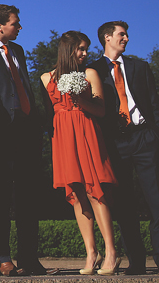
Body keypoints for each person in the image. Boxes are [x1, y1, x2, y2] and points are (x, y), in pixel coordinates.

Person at [0, 5, 51, 276]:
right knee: (2, 196)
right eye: (15, 23)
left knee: (29, 195)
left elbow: (22, 84)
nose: (20, 27)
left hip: (27, 128)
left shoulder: (18, 51)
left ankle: (30, 258)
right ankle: (4, 257)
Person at [89, 21, 159, 275]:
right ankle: (135, 261)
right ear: (107, 38)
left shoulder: (140, 67)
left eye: (126, 34)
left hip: (145, 137)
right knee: (124, 204)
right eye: (121, 34)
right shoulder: (92, 69)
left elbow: (153, 101)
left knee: (157, 199)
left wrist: (158, 133)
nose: (126, 38)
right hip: (115, 142)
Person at [39, 32, 119, 275]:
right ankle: (91, 253)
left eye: (86, 49)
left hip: (86, 131)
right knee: (75, 193)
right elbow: (48, 113)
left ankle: (111, 253)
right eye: (81, 49)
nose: (85, 54)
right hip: (62, 137)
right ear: (68, 49)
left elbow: (102, 110)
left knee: (96, 190)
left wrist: (78, 100)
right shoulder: (45, 78)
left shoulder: (90, 74)